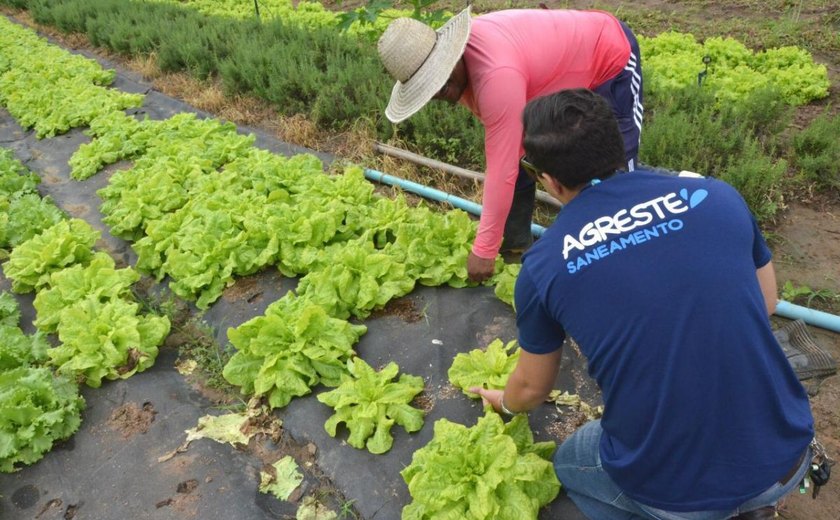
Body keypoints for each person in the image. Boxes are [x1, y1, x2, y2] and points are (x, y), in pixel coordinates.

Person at [471, 89, 815, 519]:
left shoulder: (545, 264)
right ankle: (755, 506)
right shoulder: (717, 195)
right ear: (616, 148)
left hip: (674, 491)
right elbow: (766, 301)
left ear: (551, 181)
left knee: (570, 461)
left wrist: (503, 401)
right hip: (786, 454)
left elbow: (532, 389)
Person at [377, 6, 644, 282]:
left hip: (608, 56)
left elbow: (501, 170)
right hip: (553, 74)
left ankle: (632, 257)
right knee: (527, 152)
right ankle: (516, 245)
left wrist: (484, 250)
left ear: (452, 55)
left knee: (616, 169)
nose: (439, 87)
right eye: (428, 85)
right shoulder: (470, 73)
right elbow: (509, 153)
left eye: (440, 73)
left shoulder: (495, 76)